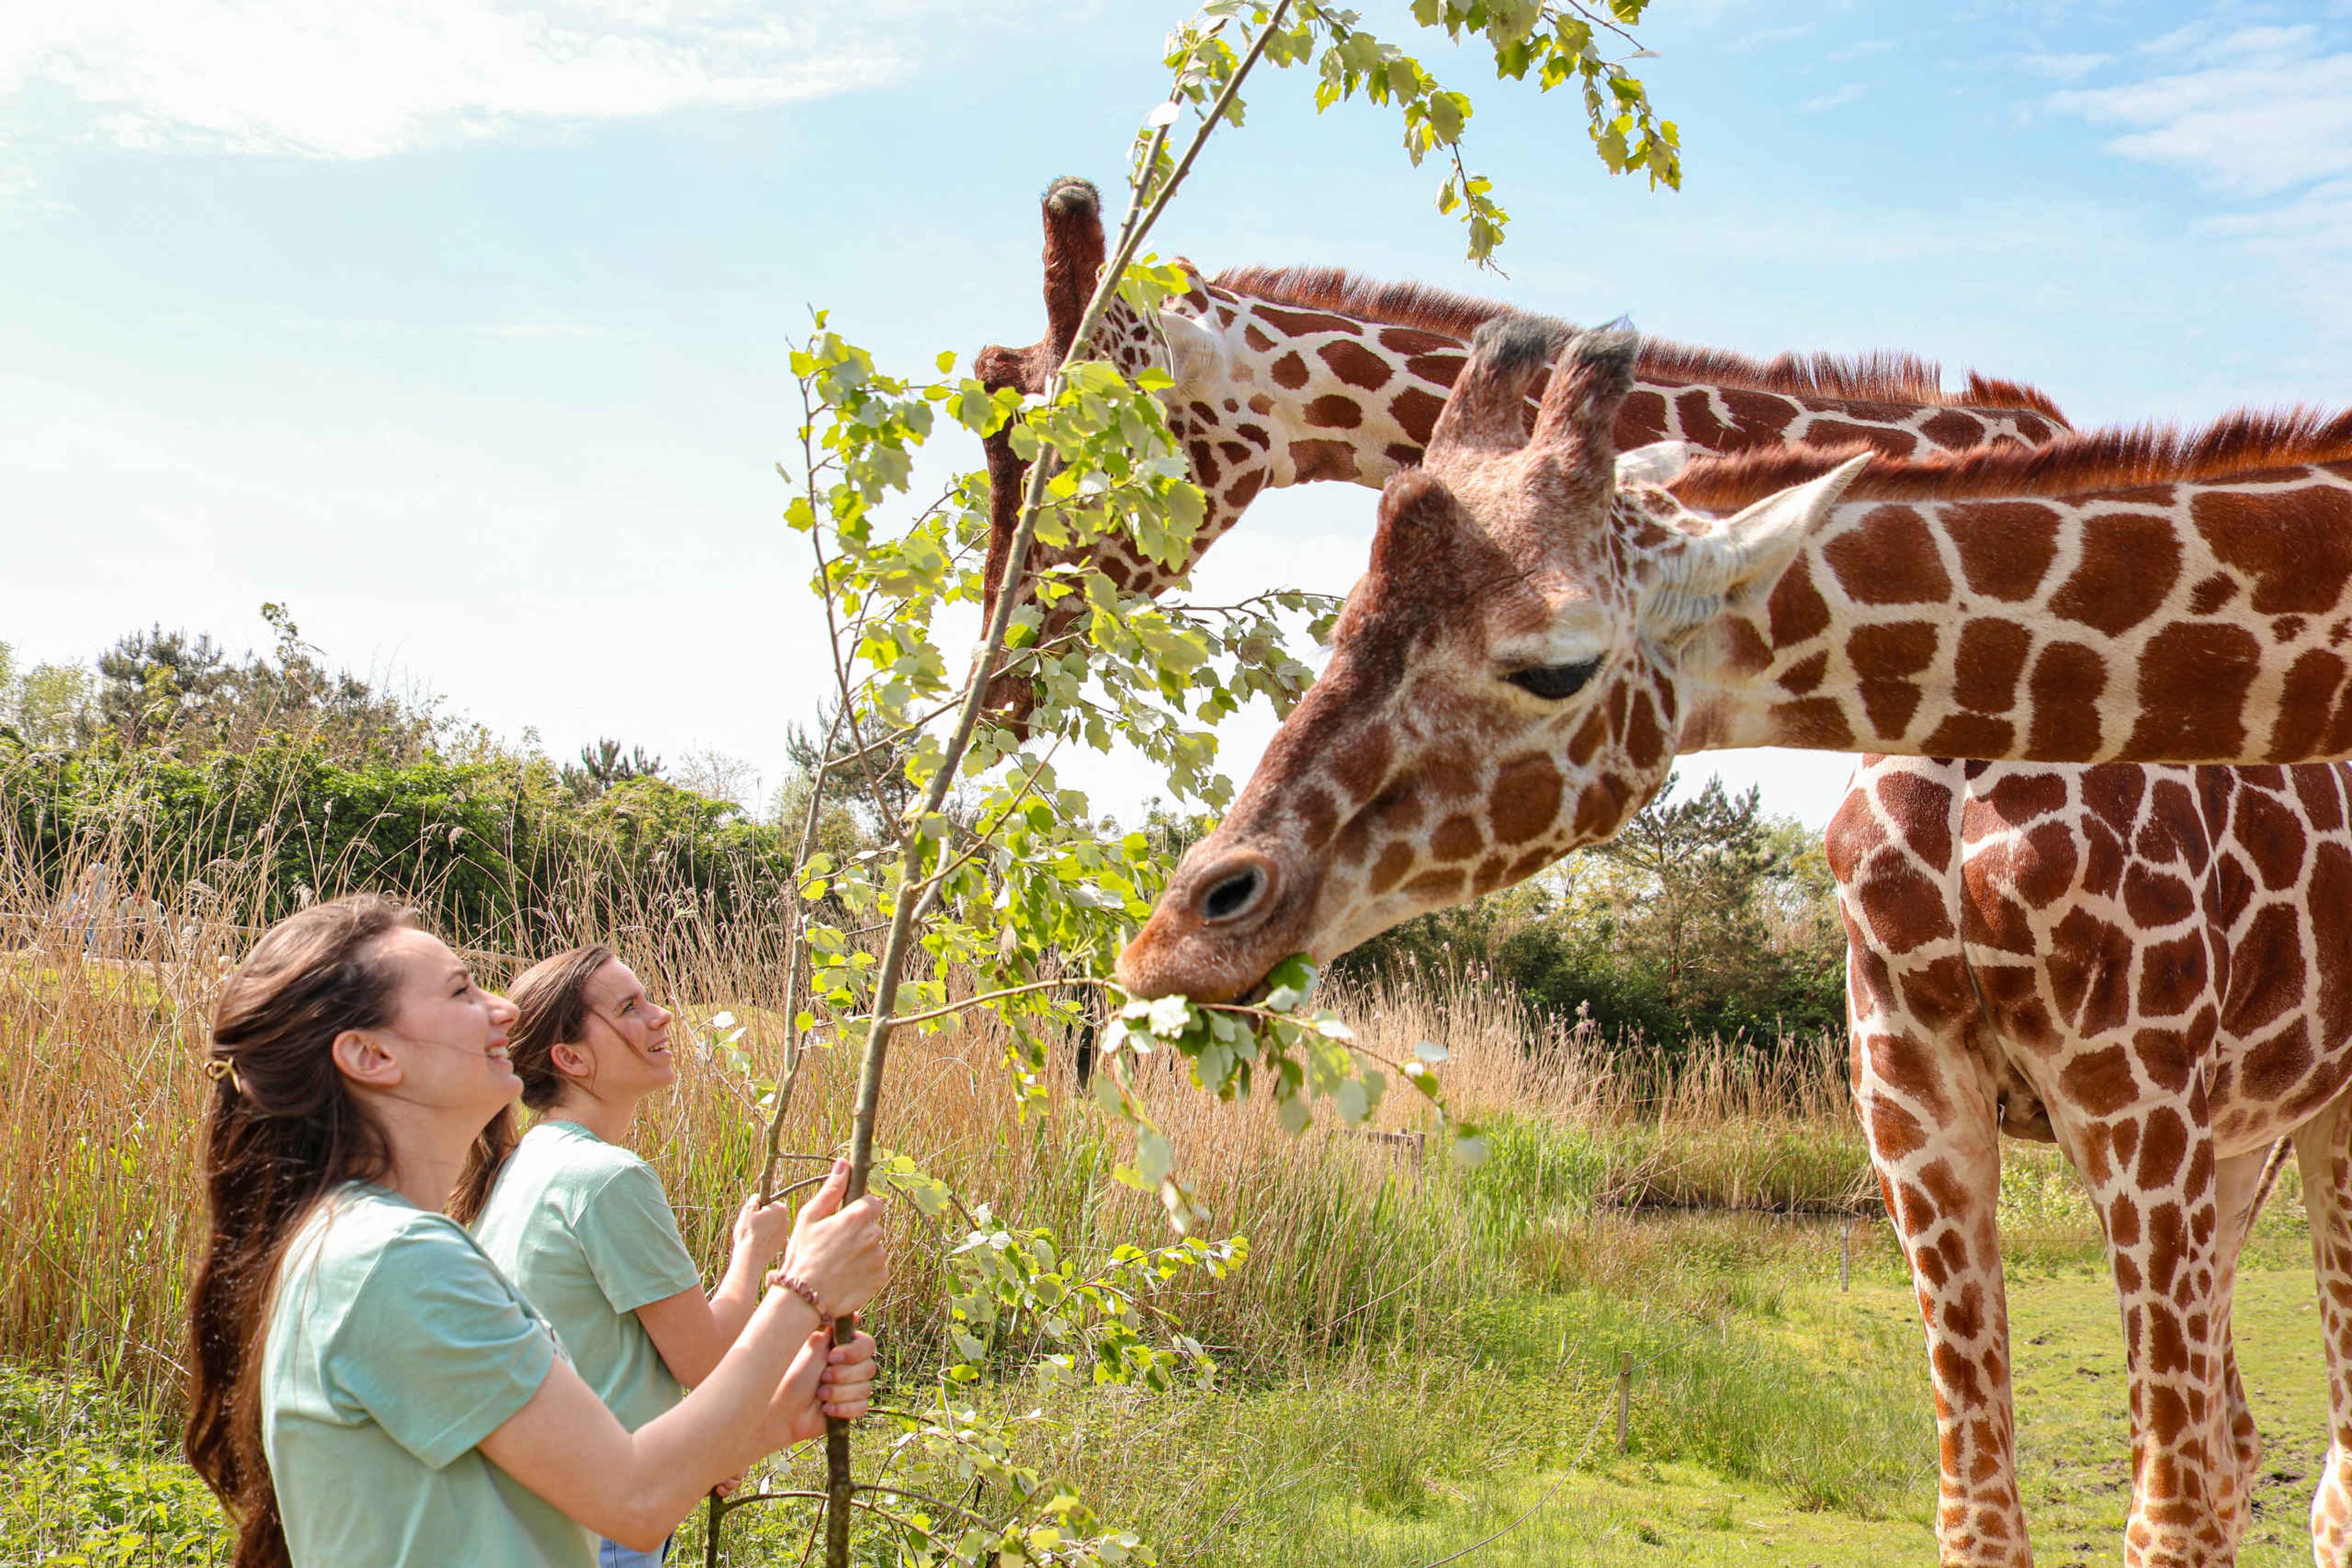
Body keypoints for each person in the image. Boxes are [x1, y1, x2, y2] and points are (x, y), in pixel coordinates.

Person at [184, 895, 889, 1568]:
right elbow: (634, 1498)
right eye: (462, 992)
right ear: (371, 1057)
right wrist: (799, 1289)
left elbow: (574, 1484)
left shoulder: (361, 1242)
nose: (505, 1008)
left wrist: (782, 1415)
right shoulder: (392, 1258)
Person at [463, 944, 826, 1566]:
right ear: (570, 1057)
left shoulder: (523, 1163)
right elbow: (704, 1359)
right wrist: (754, 1253)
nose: (661, 1016)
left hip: (548, 1507)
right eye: (631, 1007)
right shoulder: (606, 1178)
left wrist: (699, 1455)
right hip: (601, 1522)